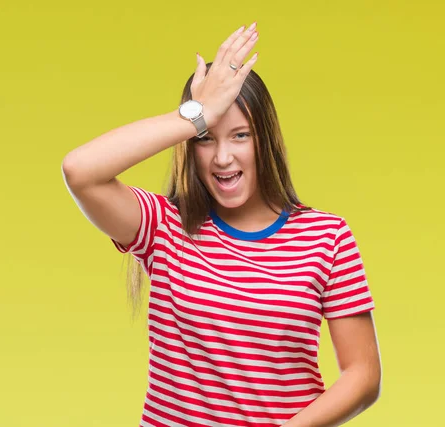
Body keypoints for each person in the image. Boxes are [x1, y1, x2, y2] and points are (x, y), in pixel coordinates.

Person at [62, 22, 382, 427]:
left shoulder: (327, 237)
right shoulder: (164, 226)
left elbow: (364, 375)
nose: (223, 158)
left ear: (265, 140)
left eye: (241, 136)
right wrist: (194, 115)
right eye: (206, 139)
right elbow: (79, 170)